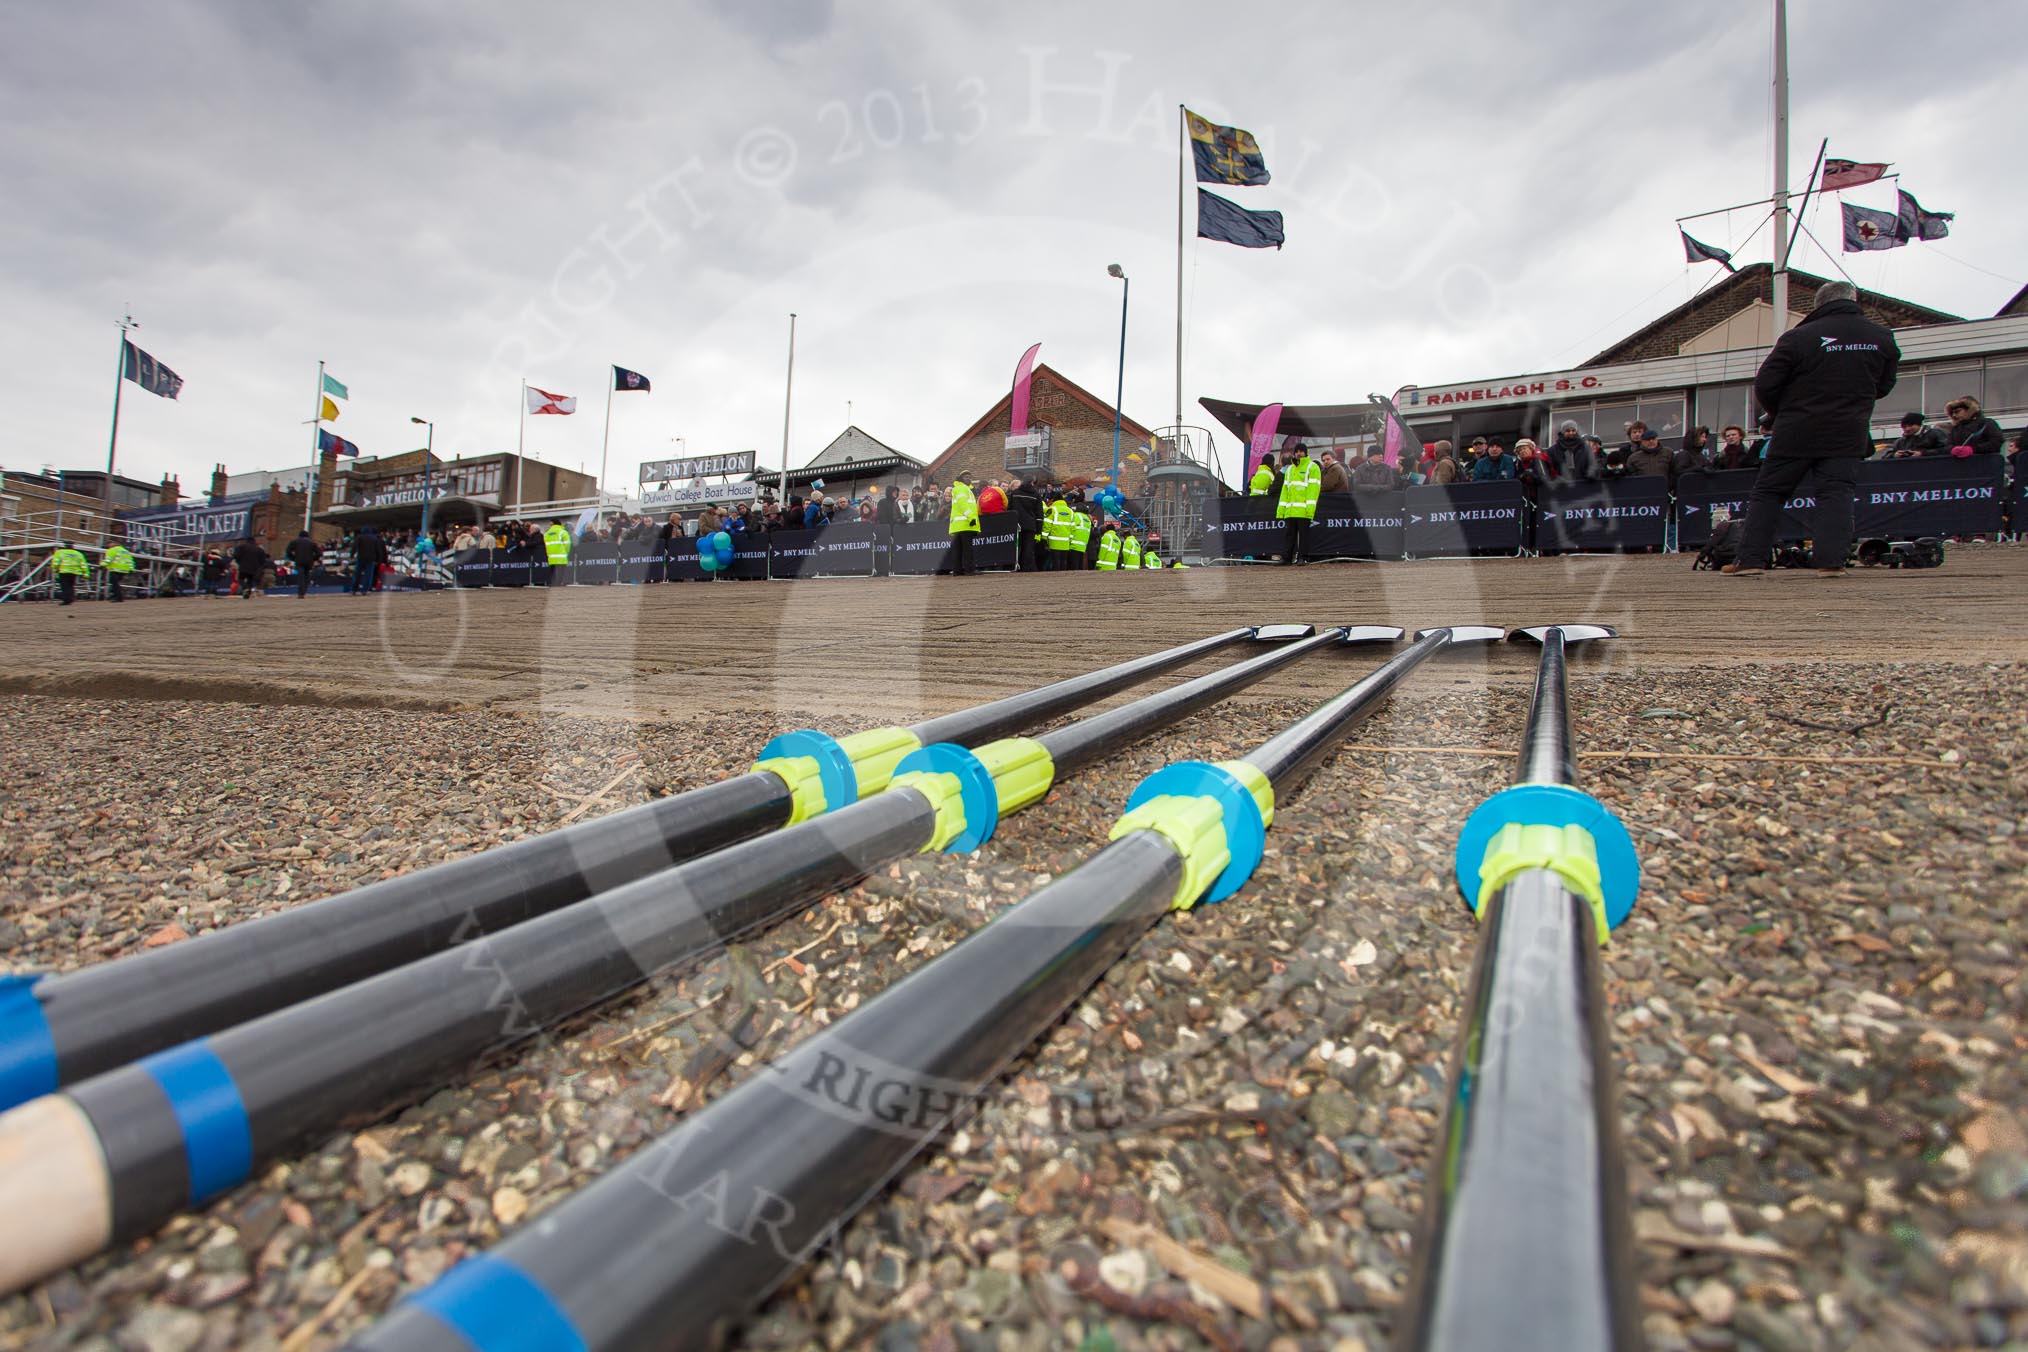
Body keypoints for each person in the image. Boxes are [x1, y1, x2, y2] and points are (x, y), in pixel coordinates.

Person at [1726, 280, 1900, 576]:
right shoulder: (1881, 337)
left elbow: (1766, 383)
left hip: (1797, 427)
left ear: (1818, 305)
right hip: (1848, 428)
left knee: (1770, 492)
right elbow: (1884, 384)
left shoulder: (1799, 337)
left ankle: (1752, 560)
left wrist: (1781, 412)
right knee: (1836, 494)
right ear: (1852, 300)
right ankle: (1831, 562)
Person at [1275, 443, 1321, 564]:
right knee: (1289, 535)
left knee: (1304, 536)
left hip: (1304, 509)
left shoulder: (1312, 467)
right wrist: (1282, 509)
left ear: (1306, 453)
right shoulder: (1290, 469)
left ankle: (1303, 558)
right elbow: (1285, 490)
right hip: (1290, 510)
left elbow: (1313, 489)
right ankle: (1287, 558)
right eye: (1297, 451)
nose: (1298, 453)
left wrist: (1310, 509)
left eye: (1301, 451)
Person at [946, 471, 981, 575]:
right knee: (967, 549)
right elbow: (963, 504)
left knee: (958, 549)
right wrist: (971, 517)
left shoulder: (960, 488)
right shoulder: (962, 488)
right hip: (965, 523)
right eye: (966, 477)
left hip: (957, 525)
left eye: (970, 477)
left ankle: (957, 570)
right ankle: (969, 569)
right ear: (960, 478)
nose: (968, 478)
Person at [50, 541, 89, 605]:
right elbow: (83, 564)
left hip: (63, 572)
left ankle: (66, 600)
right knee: (70, 586)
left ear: (65, 546)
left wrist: (54, 569)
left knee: (65, 586)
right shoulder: (78, 554)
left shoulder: (60, 552)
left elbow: (56, 562)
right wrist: (86, 574)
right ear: (72, 546)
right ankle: (70, 599)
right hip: (74, 572)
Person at [285, 531, 322, 598]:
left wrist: (293, 558)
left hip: (299, 561)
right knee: (306, 576)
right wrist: (313, 558)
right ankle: (304, 591)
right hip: (309, 562)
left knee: (300, 577)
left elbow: (288, 552)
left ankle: (300, 593)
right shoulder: (312, 543)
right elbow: (319, 553)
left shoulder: (294, 542)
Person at [350, 527, 386, 595]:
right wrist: (379, 560)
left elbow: (354, 547)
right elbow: (378, 550)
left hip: (360, 558)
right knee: (368, 575)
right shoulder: (374, 539)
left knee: (357, 574)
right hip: (370, 559)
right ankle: (364, 590)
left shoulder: (359, 537)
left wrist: (352, 555)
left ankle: (354, 589)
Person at [541, 518, 572, 585]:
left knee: (552, 572)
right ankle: (559, 584)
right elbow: (568, 544)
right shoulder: (563, 532)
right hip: (561, 557)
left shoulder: (546, 533)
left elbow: (545, 545)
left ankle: (551, 583)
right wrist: (566, 553)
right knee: (561, 572)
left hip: (551, 557)